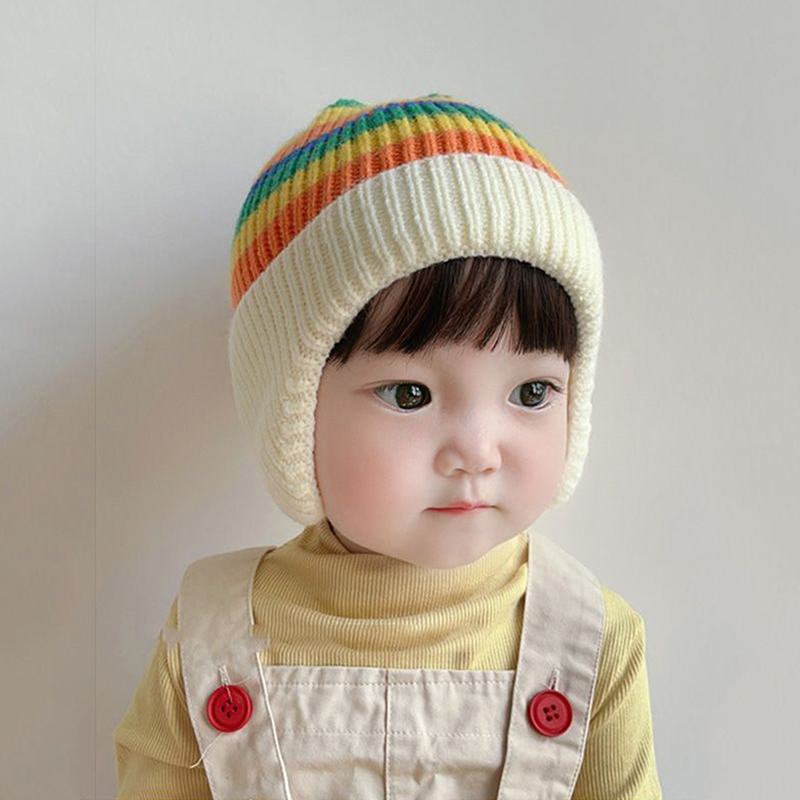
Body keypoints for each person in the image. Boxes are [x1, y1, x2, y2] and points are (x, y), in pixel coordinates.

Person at [113, 93, 663, 799]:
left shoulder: (592, 644)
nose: (478, 452)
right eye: (410, 395)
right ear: (295, 413)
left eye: (531, 392)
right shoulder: (209, 635)